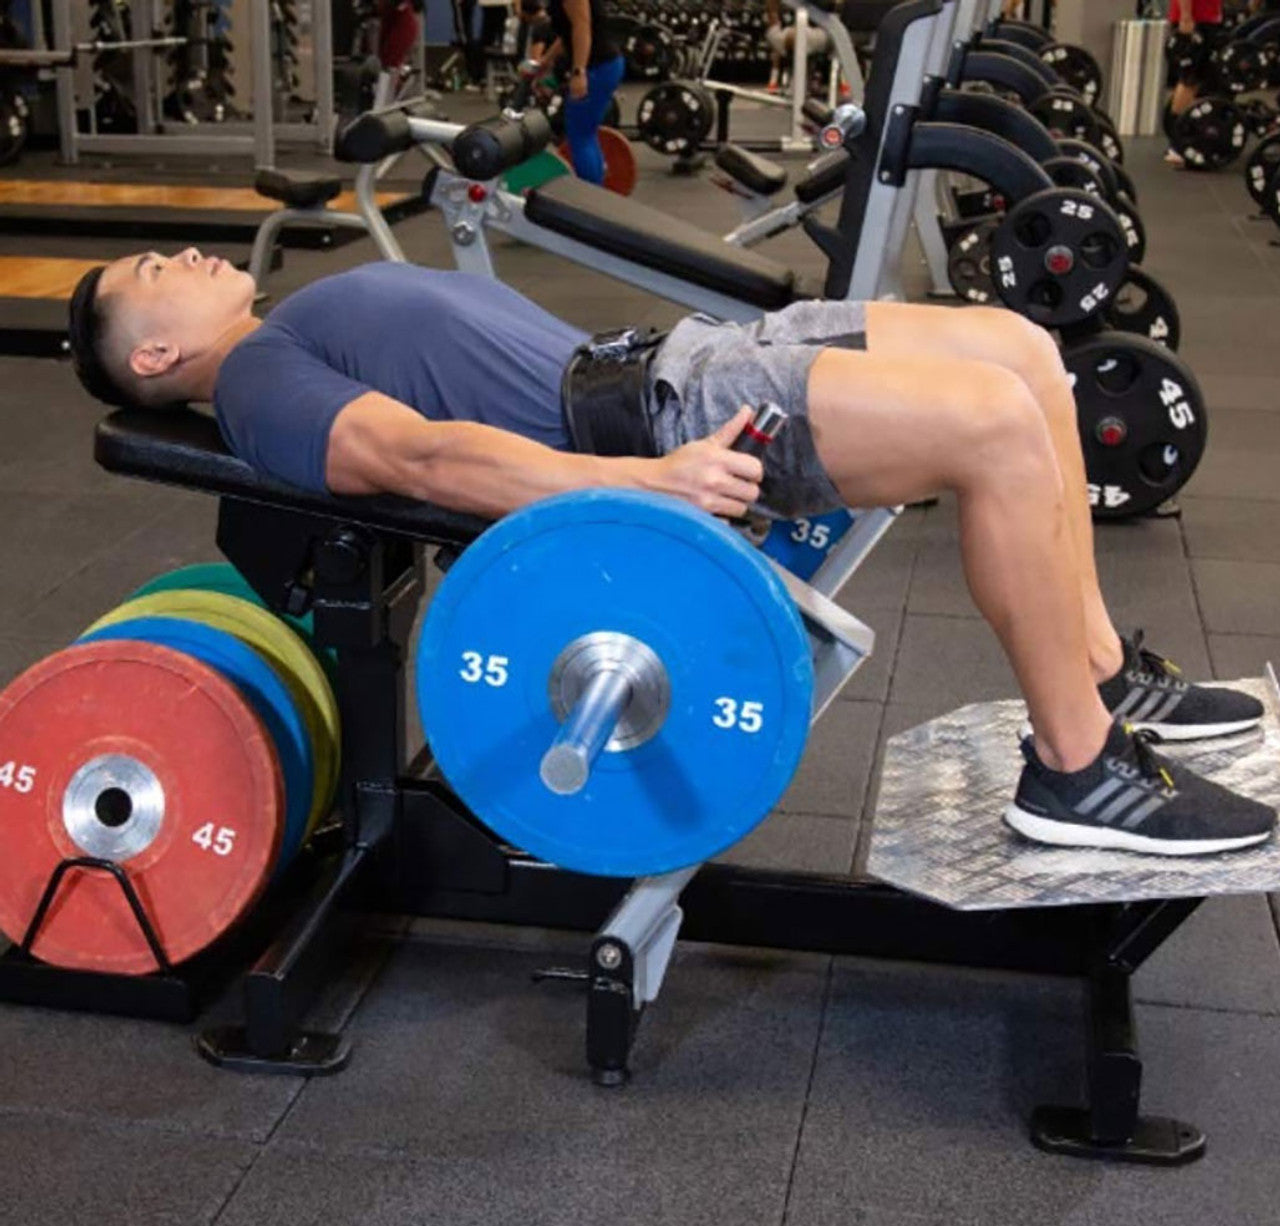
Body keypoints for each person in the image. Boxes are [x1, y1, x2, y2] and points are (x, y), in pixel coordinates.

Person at [66, 253, 1276, 858]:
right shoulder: (261, 385)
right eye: (151, 277)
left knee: (1018, 347)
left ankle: (1098, 667)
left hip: (681, 358)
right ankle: (1073, 766)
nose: (179, 259)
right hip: (659, 416)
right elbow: (424, 461)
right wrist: (643, 480)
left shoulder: (283, 330)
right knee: (996, 429)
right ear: (158, 358)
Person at [521, 0, 624, 184]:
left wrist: (579, 72)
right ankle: (596, 192)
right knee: (585, 133)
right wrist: (545, 62)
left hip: (598, 67)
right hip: (602, 65)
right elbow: (567, 33)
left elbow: (581, 27)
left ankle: (591, 197)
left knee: (580, 136)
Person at [1164, 0, 1224, 165]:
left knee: (1196, 81)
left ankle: (1182, 138)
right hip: (1195, 21)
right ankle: (1177, 145)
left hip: (1206, 20)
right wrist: (1186, 16)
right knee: (1189, 81)